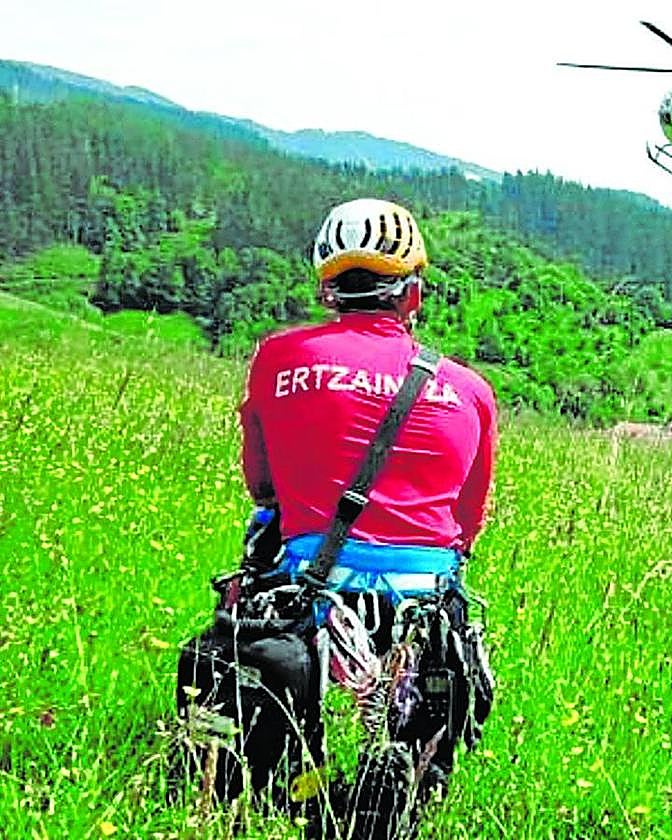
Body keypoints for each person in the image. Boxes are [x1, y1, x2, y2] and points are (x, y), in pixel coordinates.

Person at [237, 197, 498, 836]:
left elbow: (261, 484)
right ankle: (409, 766)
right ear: (413, 297)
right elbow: (468, 524)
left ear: (327, 288)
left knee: (262, 540)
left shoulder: (278, 357)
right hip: (424, 598)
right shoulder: (470, 391)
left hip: (310, 585)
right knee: (445, 610)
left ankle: (292, 772)